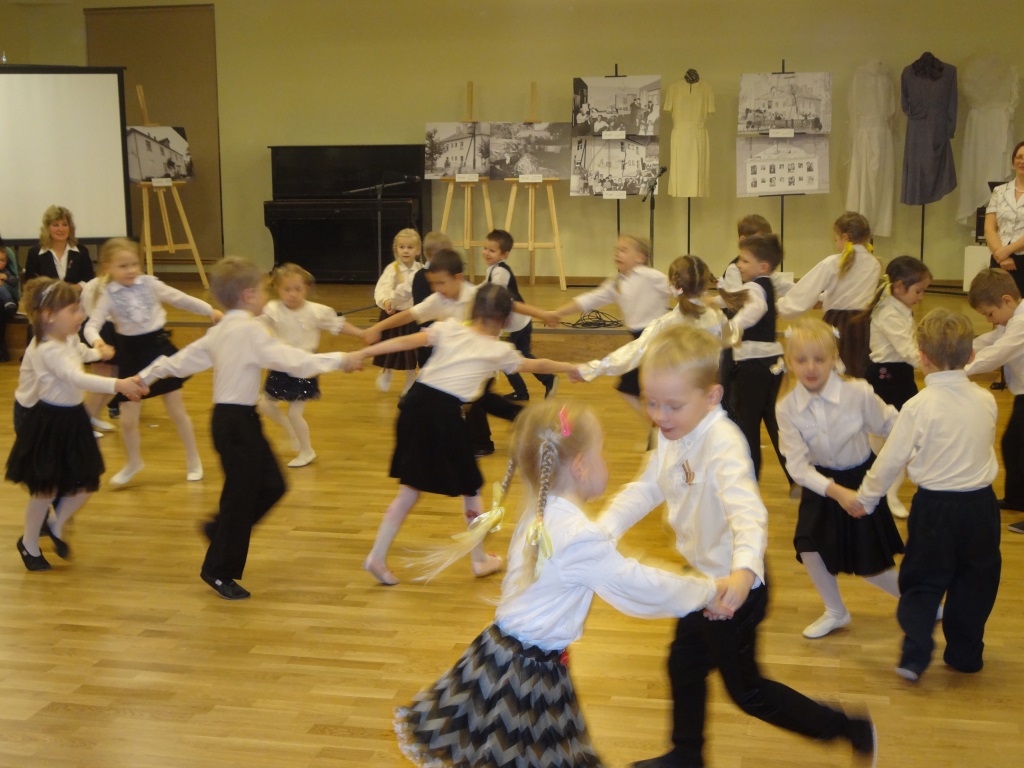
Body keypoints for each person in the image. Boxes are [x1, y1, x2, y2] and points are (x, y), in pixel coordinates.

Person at [598, 324, 876, 768]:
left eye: (672, 405)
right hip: (701, 579)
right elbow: (647, 486)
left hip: (735, 589)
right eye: (651, 402)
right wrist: (603, 529)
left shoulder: (723, 443)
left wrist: (743, 573)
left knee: (748, 691)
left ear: (711, 396)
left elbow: (748, 513)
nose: (659, 416)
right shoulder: (672, 435)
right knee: (684, 664)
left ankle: (847, 727)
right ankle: (687, 754)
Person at [394, 400, 724, 768]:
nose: (605, 461)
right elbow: (639, 585)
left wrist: (657, 475)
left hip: (499, 658)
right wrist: (708, 591)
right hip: (525, 679)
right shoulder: (575, 535)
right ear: (581, 466)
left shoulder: (544, 513)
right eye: (601, 453)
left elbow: (600, 537)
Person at [138, 256, 362, 600]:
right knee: (239, 499)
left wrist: (144, 377)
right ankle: (217, 570)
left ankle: (219, 530)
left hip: (236, 422)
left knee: (272, 485)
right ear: (248, 295)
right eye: (262, 290)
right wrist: (340, 359)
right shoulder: (247, 330)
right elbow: (293, 361)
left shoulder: (224, 330)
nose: (265, 296)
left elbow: (179, 362)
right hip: (235, 423)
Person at [357, 283, 578, 587]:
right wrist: (570, 367)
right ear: (505, 320)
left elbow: (406, 340)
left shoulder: (449, 328)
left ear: (473, 310)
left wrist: (365, 352)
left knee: (409, 490)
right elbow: (536, 364)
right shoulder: (498, 350)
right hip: (444, 415)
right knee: (471, 487)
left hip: (412, 407)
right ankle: (479, 559)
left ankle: (377, 557)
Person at [841, 309, 1001, 682]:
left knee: (922, 580)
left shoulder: (918, 406)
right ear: (970, 356)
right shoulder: (986, 400)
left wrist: (866, 498)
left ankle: (915, 655)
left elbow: (889, 460)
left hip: (935, 509)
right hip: (981, 507)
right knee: (976, 580)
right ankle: (965, 654)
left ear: (923, 358)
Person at [5, 278, 146, 571]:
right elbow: (76, 377)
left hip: (72, 419)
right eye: (73, 310)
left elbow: (78, 352)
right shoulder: (46, 350)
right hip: (47, 422)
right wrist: (118, 384)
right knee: (44, 489)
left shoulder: (66, 338)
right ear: (48, 316)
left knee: (84, 483)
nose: (81, 315)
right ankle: (29, 543)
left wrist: (96, 352)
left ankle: (56, 525)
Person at [776, 317, 905, 639]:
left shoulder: (857, 392)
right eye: (801, 360)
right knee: (809, 547)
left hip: (860, 480)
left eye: (819, 359)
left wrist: (891, 470)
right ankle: (835, 611)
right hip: (820, 484)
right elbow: (797, 466)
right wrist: (836, 492)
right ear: (789, 361)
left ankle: (917, 599)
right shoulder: (787, 407)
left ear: (834, 358)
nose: (811, 368)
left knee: (871, 564)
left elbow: (892, 425)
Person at [84, 238, 221, 487]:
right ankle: (134, 462)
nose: (131, 270)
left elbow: (180, 298)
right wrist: (98, 343)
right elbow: (91, 325)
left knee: (177, 411)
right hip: (131, 357)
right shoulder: (107, 295)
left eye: (134, 264)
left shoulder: (150, 284)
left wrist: (209, 310)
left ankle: (193, 459)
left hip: (159, 352)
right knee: (128, 420)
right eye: (123, 266)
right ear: (107, 268)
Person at [546, 235, 670, 414]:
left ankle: (658, 424)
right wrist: (558, 312)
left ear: (640, 257)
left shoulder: (650, 276)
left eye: (623, 250)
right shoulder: (618, 281)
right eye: (616, 250)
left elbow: (678, 288)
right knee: (633, 389)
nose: (617, 254)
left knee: (632, 388)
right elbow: (591, 299)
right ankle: (657, 424)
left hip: (655, 339)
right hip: (639, 340)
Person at [257, 263, 365, 468]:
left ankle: (307, 451)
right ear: (277, 289)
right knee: (264, 405)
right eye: (287, 289)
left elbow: (338, 324)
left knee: (295, 412)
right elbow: (258, 324)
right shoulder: (272, 309)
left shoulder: (315, 311)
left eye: (298, 289)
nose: (293, 294)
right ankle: (289, 429)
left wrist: (362, 333)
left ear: (306, 288)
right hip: (281, 366)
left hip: (305, 368)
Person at [575, 255, 725, 382]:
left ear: (672, 285)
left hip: (677, 393)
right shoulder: (718, 318)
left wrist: (590, 370)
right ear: (705, 286)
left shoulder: (666, 324)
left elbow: (632, 353)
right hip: (709, 394)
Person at [862, 255, 932, 518]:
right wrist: (937, 366)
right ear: (900, 287)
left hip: (898, 375)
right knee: (890, 438)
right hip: (886, 378)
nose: (921, 297)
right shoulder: (889, 312)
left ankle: (887, 492)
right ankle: (882, 491)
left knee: (899, 437)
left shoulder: (897, 306)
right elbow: (908, 350)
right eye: (918, 291)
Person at [719, 233, 790, 481]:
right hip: (771, 364)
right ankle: (796, 477)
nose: (739, 265)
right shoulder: (764, 285)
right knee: (773, 420)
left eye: (745, 260)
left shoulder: (754, 287)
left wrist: (733, 327)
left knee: (747, 425)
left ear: (763, 266)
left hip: (753, 366)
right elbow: (734, 298)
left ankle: (749, 480)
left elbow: (755, 307)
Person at [778, 212, 882, 378]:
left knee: (833, 370)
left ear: (844, 237)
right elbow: (852, 294)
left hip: (838, 323)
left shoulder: (833, 262)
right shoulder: (874, 264)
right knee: (858, 370)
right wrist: (823, 299)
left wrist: (780, 308)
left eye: (835, 239)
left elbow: (807, 291)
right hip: (864, 325)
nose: (835, 243)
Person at [965, 268, 1024, 532]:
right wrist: (959, 351)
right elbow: (988, 342)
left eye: (990, 314)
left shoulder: (1021, 323)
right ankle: (1017, 498)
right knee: (1011, 444)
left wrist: (961, 370)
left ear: (1006, 300)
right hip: (1022, 393)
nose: (990, 320)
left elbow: (998, 352)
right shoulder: (1009, 322)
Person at [481, 229, 555, 400]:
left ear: (504, 255)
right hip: (522, 322)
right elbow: (483, 286)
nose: (486, 253)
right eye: (485, 248)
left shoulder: (500, 272)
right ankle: (547, 380)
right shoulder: (494, 269)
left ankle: (523, 391)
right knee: (523, 355)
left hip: (512, 325)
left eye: (492, 250)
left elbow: (495, 292)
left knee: (504, 358)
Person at [372, 229, 422, 395]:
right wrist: (386, 301)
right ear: (396, 249)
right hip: (393, 315)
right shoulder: (392, 269)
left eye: (410, 247)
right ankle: (386, 371)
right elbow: (383, 288)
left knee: (411, 351)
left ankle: (410, 379)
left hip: (412, 316)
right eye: (402, 247)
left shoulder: (420, 270)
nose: (406, 251)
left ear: (418, 250)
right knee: (389, 347)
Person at [983, 140, 1024, 295]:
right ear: (1013, 161)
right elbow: (989, 228)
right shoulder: (999, 191)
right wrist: (1000, 255)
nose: (1022, 161)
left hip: (1019, 256)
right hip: (999, 258)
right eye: (1019, 157)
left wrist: (1006, 251)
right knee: (996, 302)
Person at [24, 205, 95, 288]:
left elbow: (89, 280)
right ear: (47, 228)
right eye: (56, 225)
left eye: (65, 225)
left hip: (76, 295)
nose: (61, 229)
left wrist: (72, 289)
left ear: (70, 228)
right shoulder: (35, 253)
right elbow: (31, 285)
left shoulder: (81, 252)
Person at [411, 231, 452, 368]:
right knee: (428, 366)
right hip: (427, 331)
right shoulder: (421, 276)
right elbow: (421, 309)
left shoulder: (443, 274)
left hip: (441, 331)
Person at [0, 232, 20, 362]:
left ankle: (1, 349)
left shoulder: (6, 252)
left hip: (7, 299)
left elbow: (15, 287)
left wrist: (3, 283)